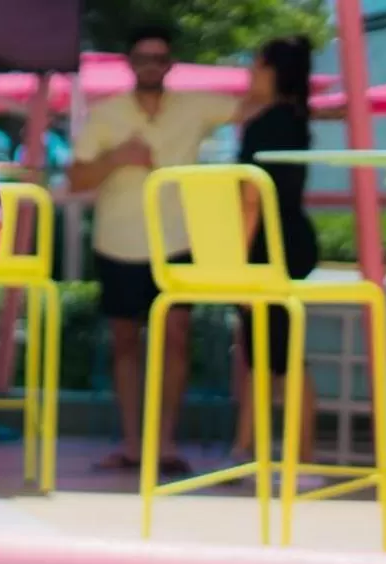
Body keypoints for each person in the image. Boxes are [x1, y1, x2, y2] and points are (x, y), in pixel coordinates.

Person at [69, 25, 252, 475]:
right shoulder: (106, 114)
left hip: (177, 240)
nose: (151, 64)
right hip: (119, 241)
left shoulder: (196, 106)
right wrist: (117, 158)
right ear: (130, 63)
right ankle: (133, 444)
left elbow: (254, 108)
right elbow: (75, 179)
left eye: (159, 57)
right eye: (143, 57)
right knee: (125, 344)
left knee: (176, 340)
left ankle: (164, 444)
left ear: (169, 64)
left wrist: (314, 103)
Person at [231, 36, 321, 465]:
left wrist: (238, 260)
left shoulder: (267, 122)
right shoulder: (294, 118)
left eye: (255, 66)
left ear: (272, 71)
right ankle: (248, 450)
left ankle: (297, 458)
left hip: (270, 246)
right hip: (289, 240)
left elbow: (251, 198)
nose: (249, 74)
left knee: (279, 356)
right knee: (266, 354)